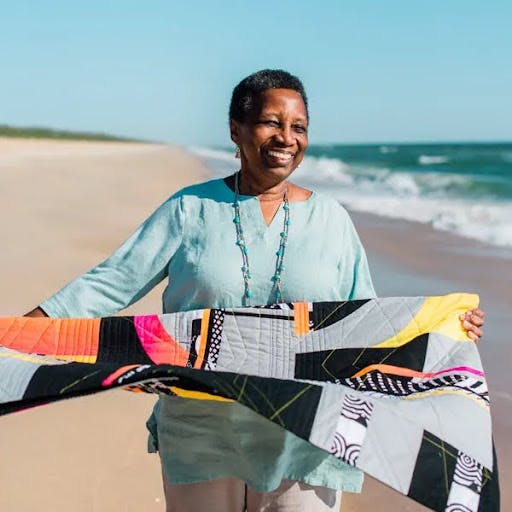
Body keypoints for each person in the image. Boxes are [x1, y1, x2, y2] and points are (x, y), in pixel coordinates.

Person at [25, 69, 484, 512]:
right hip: (201, 429)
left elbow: (368, 323)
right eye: (271, 122)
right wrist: (23, 332)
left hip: (307, 432)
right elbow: (112, 281)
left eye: (298, 126)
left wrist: (446, 331)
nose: (287, 137)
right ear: (236, 130)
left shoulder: (332, 222)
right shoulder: (190, 209)